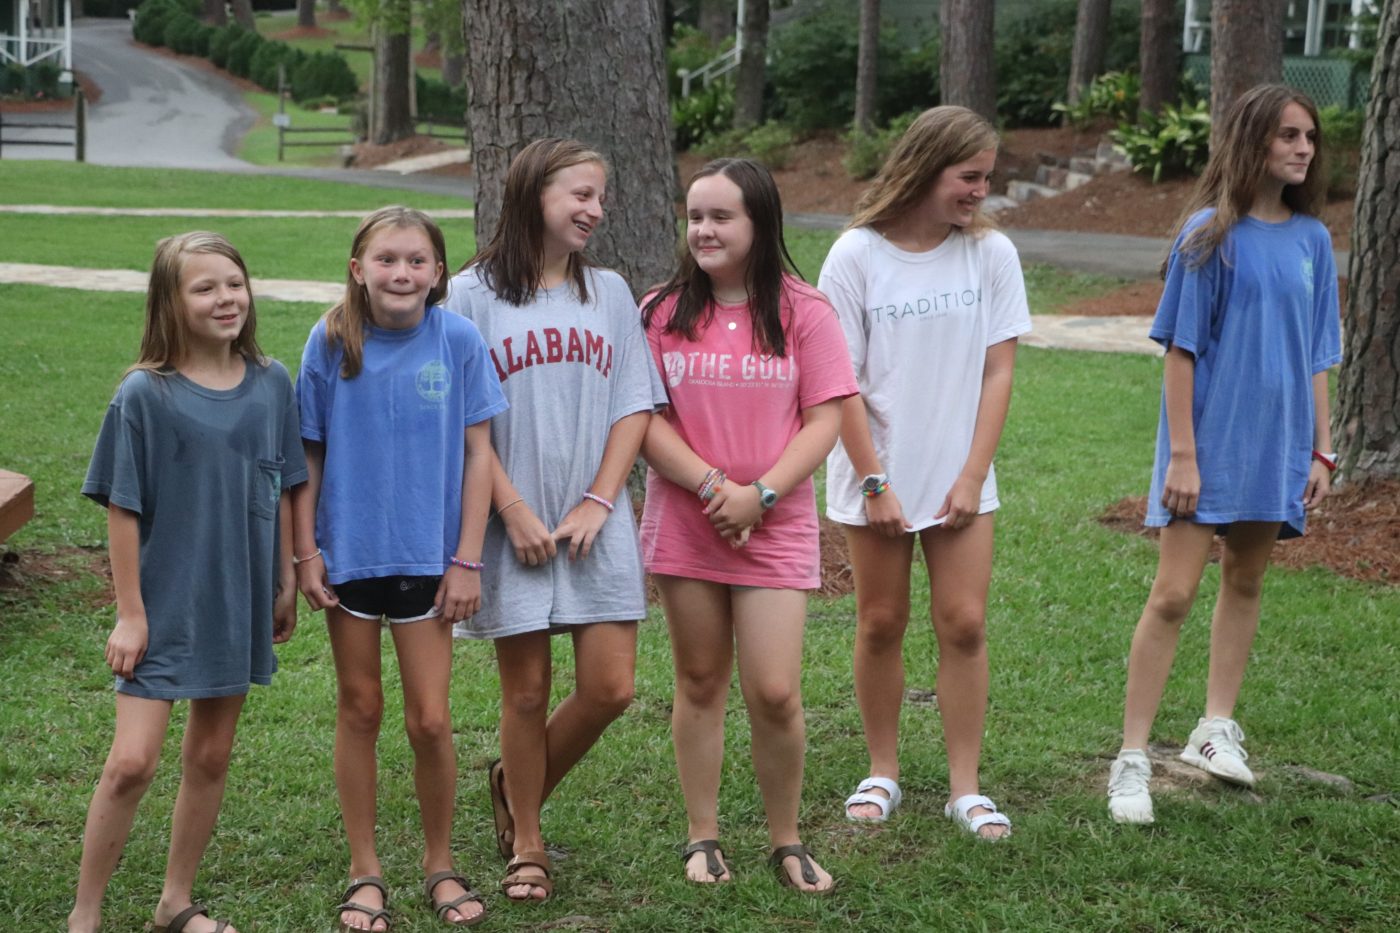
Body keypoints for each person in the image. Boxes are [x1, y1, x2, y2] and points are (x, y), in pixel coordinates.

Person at [1107, 85, 1341, 824]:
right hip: (1206, 448)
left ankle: (1213, 728)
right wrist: (1183, 454)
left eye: (1309, 137)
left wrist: (1323, 450)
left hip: (1278, 446)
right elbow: (1181, 350)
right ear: (1252, 142)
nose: (1303, 148)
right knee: (1173, 594)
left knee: (1245, 580)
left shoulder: (1313, 240)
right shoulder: (1208, 234)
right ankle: (1132, 759)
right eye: (1288, 135)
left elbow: (1318, 354)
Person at [443, 137, 666, 903]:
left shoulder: (609, 292)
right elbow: (464, 419)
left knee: (610, 687)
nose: (594, 209)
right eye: (580, 194)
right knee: (528, 690)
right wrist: (510, 509)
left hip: (593, 519)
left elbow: (634, 403)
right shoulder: (470, 294)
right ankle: (528, 841)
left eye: (600, 196)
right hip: (511, 519)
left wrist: (600, 500)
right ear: (533, 193)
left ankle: (513, 780)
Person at [69, 232, 308, 933]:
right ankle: (84, 915)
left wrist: (286, 578)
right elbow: (122, 506)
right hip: (164, 600)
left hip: (236, 597)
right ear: (170, 302)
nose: (226, 298)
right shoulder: (145, 394)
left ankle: (174, 903)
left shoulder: (272, 382)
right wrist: (131, 613)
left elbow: (283, 483)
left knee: (210, 754)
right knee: (132, 762)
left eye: (234, 283)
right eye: (204, 288)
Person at [640, 157, 857, 893]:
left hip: (775, 524)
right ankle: (702, 835)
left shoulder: (807, 311)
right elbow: (645, 419)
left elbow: (824, 419)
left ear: (760, 222)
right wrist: (714, 487)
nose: (703, 229)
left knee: (774, 690)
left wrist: (759, 495)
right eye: (695, 216)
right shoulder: (659, 311)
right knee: (700, 678)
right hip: (688, 520)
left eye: (720, 216)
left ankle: (786, 839)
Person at [820, 106, 1030, 839]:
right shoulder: (856, 254)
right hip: (875, 476)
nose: (981, 191)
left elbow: (999, 370)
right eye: (969, 176)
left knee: (964, 623)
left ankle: (965, 788)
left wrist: (973, 474)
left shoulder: (990, 254)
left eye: (987, 177)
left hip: (960, 475)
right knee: (881, 622)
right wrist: (874, 480)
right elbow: (839, 381)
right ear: (924, 167)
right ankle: (882, 770)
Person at [293, 207, 506, 929]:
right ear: (358, 269)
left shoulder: (458, 339)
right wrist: (306, 551)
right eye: (386, 259)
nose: (402, 273)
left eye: (417, 260)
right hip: (350, 555)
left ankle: (439, 863)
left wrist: (467, 559)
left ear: (439, 272)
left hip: (430, 559)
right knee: (360, 708)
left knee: (431, 719)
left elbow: (479, 454)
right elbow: (309, 453)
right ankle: (365, 869)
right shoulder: (330, 340)